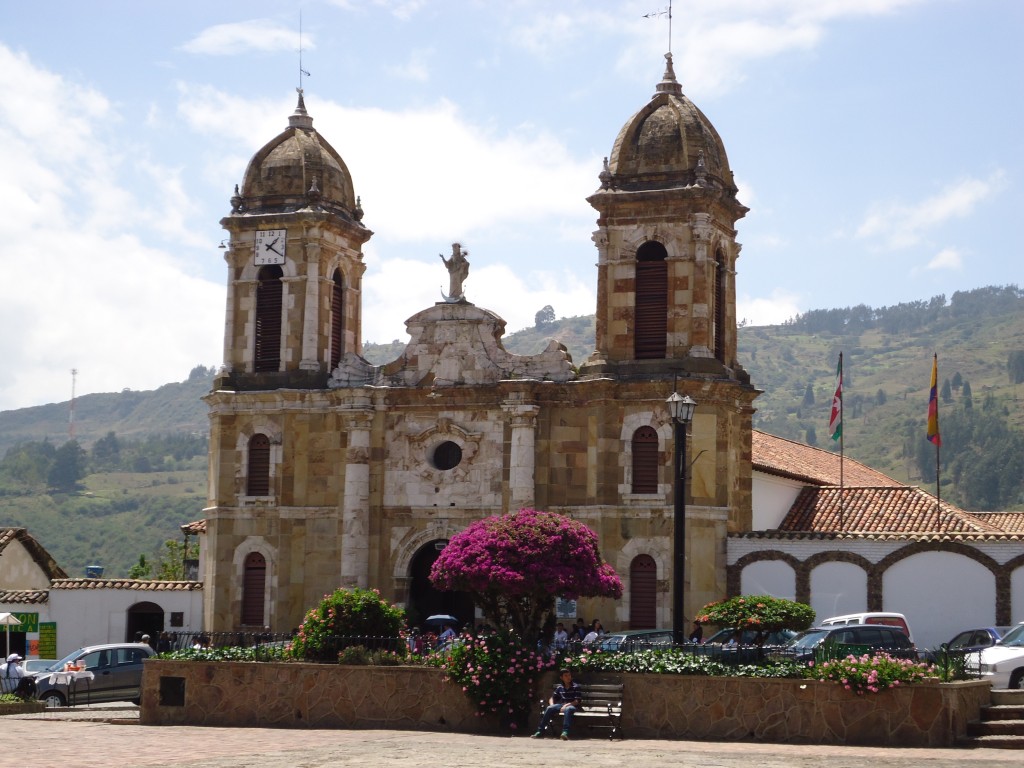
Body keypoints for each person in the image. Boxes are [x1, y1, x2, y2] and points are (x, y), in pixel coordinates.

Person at [532, 668, 583, 740]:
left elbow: (577, 701)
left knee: (568, 709)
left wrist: (566, 705)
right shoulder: (560, 687)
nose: (568, 677)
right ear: (561, 678)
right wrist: (552, 704)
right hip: (562, 705)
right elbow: (552, 698)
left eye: (569, 675)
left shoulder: (575, 687)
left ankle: (565, 732)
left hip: (573, 706)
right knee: (550, 708)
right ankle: (540, 731)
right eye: (566, 676)